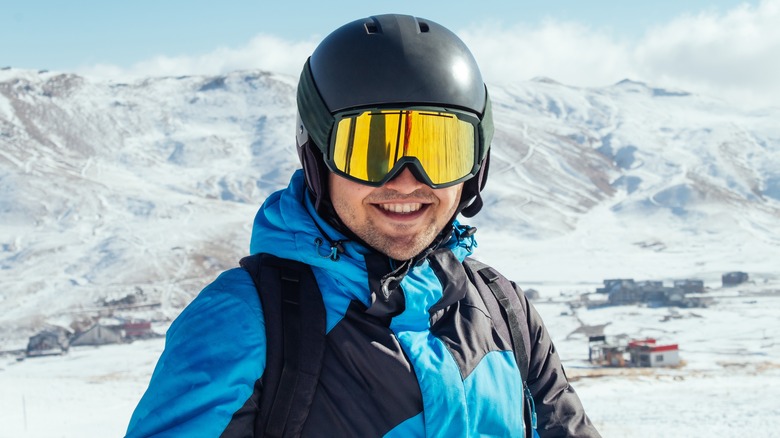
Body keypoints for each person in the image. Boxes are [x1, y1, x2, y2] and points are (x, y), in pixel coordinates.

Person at [126, 13, 600, 438]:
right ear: (317, 157)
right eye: (370, 149)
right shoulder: (245, 322)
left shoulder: (502, 309)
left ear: (475, 166)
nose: (407, 181)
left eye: (440, 150)